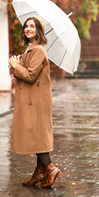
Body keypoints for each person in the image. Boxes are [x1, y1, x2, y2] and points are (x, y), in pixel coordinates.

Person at [8, 16, 64, 188]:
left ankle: (50, 168)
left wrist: (16, 66)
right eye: (26, 26)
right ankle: (39, 172)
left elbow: (30, 76)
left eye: (32, 26)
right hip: (32, 99)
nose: (28, 29)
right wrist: (17, 63)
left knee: (36, 135)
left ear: (39, 30)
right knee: (36, 135)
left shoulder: (39, 50)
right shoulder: (31, 48)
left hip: (36, 101)